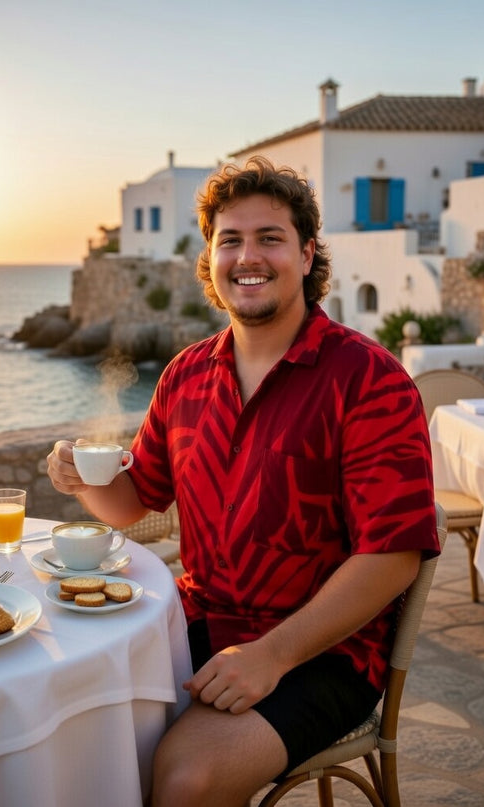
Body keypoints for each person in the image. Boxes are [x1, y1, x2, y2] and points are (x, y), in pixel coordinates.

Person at [47, 156, 440, 806]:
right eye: (229, 239)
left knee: (184, 777)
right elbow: (132, 500)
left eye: (269, 238)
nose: (246, 256)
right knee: (66, 719)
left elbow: (392, 555)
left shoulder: (368, 379)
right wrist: (80, 480)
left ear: (306, 253)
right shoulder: (183, 376)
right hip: (196, 617)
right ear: (210, 257)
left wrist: (271, 656)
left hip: (324, 648)